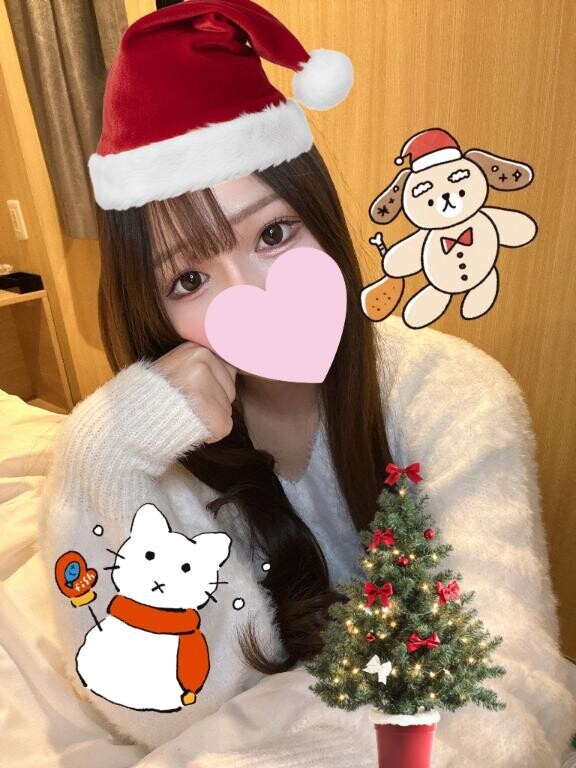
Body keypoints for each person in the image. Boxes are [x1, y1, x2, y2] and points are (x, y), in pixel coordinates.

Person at [36, 0, 576, 765]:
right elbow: (172, 708)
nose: (250, 293)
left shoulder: (456, 398)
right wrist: (105, 452)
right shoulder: (176, 457)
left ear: (321, 217)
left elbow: (507, 687)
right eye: (189, 277)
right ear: (152, 306)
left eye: (273, 233)